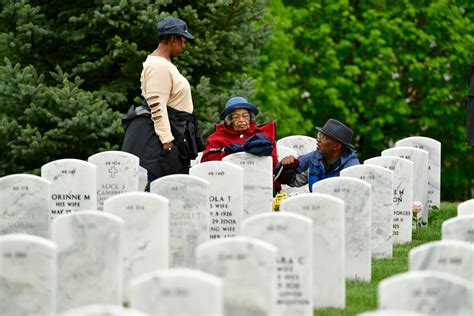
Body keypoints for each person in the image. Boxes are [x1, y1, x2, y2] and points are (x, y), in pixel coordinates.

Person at [121, 17, 204, 185]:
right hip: (158, 144)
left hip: (172, 133)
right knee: (157, 190)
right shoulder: (158, 65)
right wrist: (168, 144)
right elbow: (157, 107)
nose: (184, 45)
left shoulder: (164, 63)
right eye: (183, 40)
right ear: (173, 39)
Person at [274, 118, 360, 192]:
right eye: (319, 135)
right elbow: (292, 180)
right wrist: (286, 166)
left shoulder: (352, 169)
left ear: (336, 146)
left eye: (324, 137)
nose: (318, 139)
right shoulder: (315, 157)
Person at [201, 96, 278, 166]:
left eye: (245, 116)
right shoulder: (216, 138)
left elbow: (274, 164)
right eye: (236, 117)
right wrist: (226, 154)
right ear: (229, 120)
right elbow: (207, 165)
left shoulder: (263, 136)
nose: (241, 120)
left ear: (250, 118)